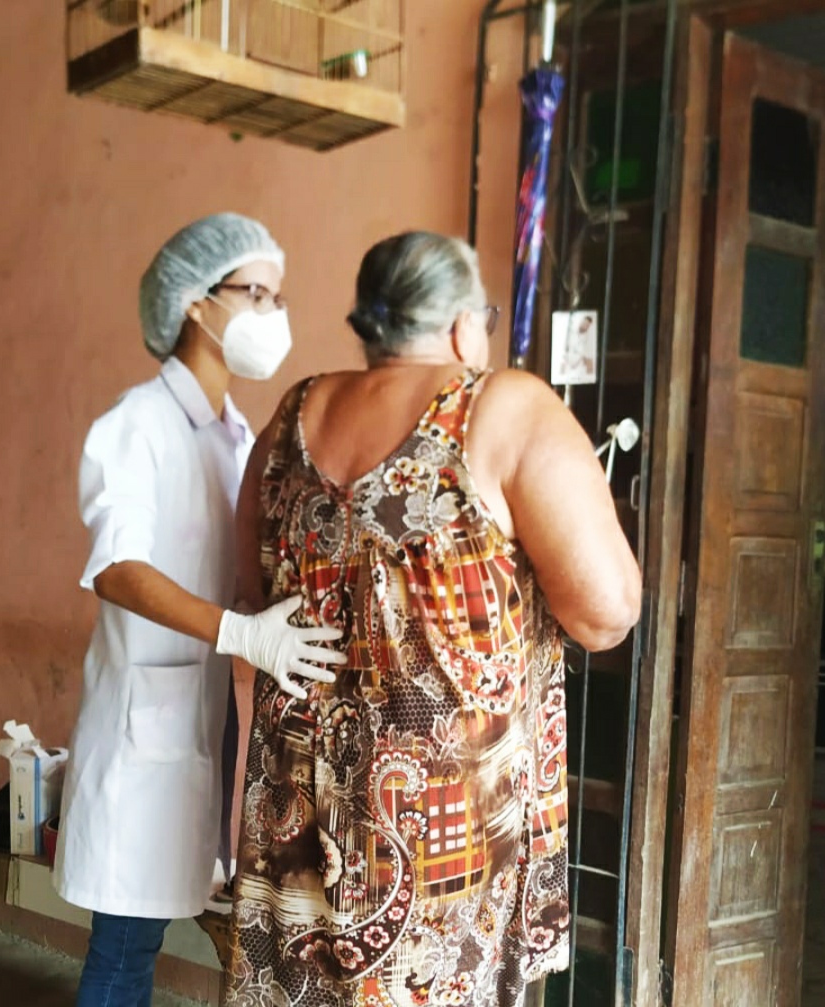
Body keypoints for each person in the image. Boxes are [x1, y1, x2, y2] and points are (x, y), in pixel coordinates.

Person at [226, 231, 642, 1006]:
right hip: (439, 836)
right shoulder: (501, 405)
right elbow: (607, 612)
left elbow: (254, 593)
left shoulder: (290, 415)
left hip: (301, 813)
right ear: (460, 325)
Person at [54, 213, 346, 1007]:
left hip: (201, 716)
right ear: (195, 302)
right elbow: (116, 569)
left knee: (147, 933)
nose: (270, 316)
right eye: (254, 293)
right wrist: (239, 630)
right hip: (143, 722)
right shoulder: (134, 425)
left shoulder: (233, 433)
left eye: (277, 298)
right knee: (121, 946)